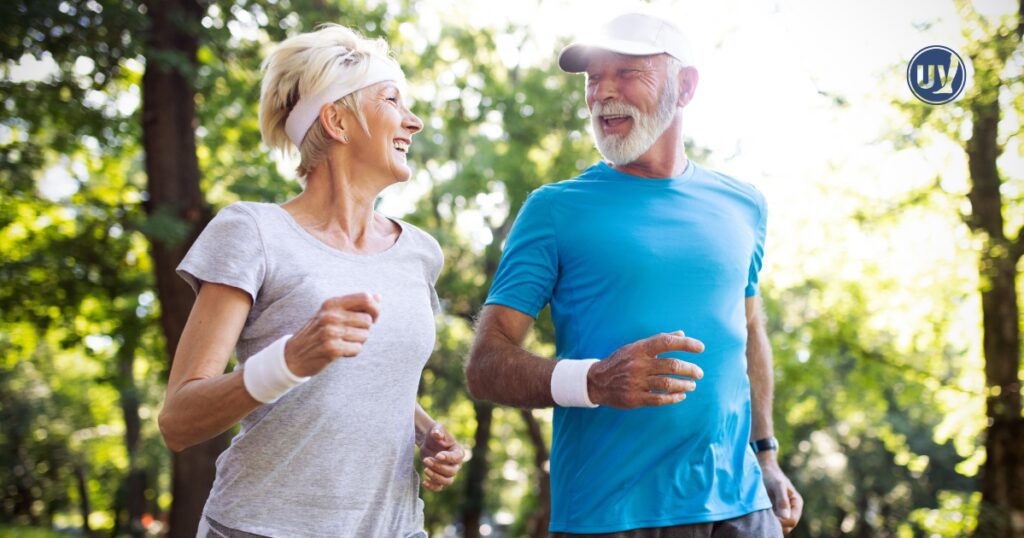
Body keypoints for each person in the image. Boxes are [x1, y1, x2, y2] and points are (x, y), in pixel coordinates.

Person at [466, 13, 802, 537]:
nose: (602, 92)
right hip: (611, 515)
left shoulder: (744, 205)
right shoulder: (554, 209)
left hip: (741, 508)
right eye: (592, 78)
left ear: (684, 86)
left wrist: (767, 455)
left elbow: (748, 330)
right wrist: (593, 381)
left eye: (626, 72)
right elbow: (485, 364)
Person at [157, 24, 465, 537]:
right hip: (263, 527)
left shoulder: (419, 252)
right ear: (338, 120)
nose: (414, 121)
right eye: (392, 100)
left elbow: (364, 381)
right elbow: (178, 422)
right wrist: (289, 360)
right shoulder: (253, 232)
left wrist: (427, 431)